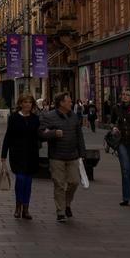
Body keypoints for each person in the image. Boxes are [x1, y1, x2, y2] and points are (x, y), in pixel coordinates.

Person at [39, 92, 86, 223]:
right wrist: (53, 133)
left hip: (72, 155)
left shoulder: (74, 117)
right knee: (59, 184)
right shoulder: (49, 116)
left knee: (74, 182)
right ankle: (60, 211)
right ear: (61, 103)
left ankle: (67, 203)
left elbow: (79, 136)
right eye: (69, 101)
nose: (71, 103)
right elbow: (40, 134)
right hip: (57, 156)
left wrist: (82, 153)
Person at [1, 93, 40, 220]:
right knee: (21, 180)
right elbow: (8, 136)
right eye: (25, 102)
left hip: (31, 154)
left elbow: (38, 136)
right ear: (20, 104)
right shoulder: (14, 118)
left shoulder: (35, 119)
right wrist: (3, 155)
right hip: (17, 154)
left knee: (28, 182)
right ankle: (18, 206)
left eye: (29, 102)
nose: (27, 104)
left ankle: (26, 209)